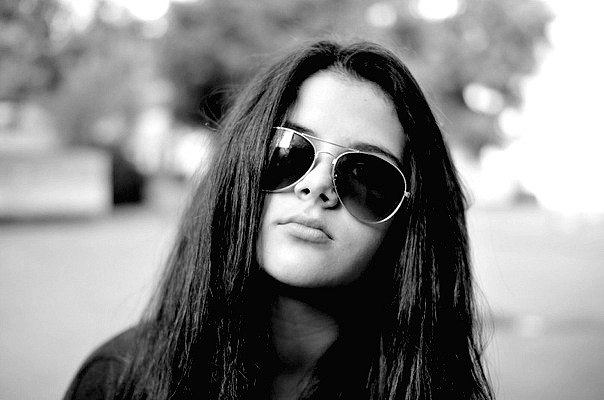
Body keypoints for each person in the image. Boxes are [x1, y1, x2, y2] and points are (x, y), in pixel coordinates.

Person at [63, 40, 493, 400]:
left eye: (366, 175)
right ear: (240, 166)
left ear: (407, 223)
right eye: (287, 150)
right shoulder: (118, 380)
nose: (316, 186)